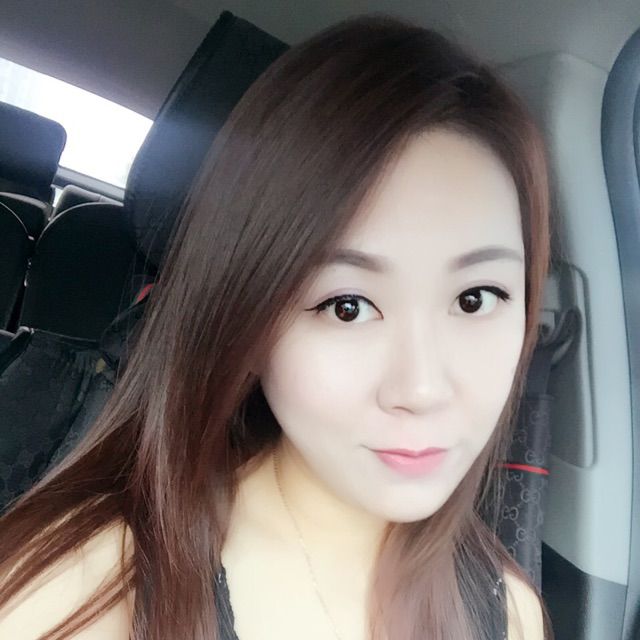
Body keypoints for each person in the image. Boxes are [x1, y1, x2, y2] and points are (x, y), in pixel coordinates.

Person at [0, 13, 553, 640]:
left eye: (477, 299)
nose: (422, 389)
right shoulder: (80, 595)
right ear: (250, 321)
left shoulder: (511, 612)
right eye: (347, 306)